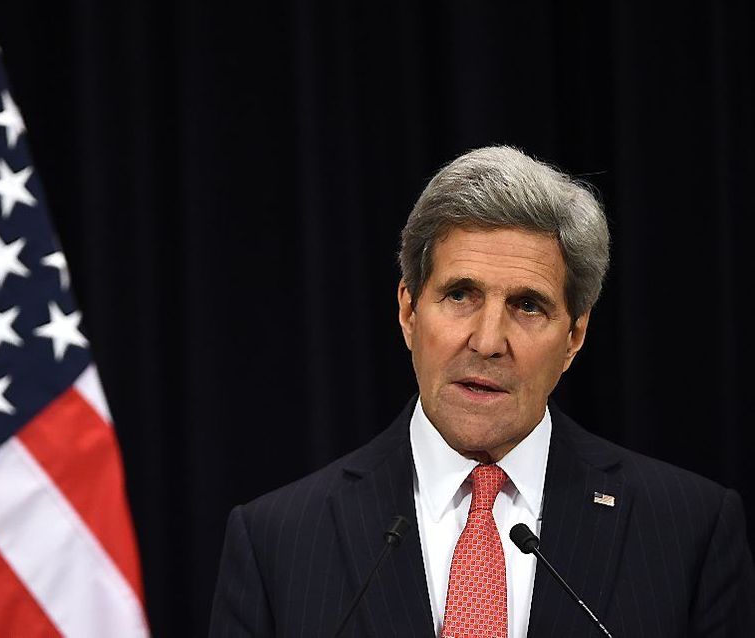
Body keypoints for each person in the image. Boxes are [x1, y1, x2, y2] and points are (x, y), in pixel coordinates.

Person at [209, 146, 755, 637]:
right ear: (408, 310)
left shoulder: (688, 533)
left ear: (574, 337)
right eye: (461, 295)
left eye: (529, 306)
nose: (489, 341)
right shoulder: (277, 543)